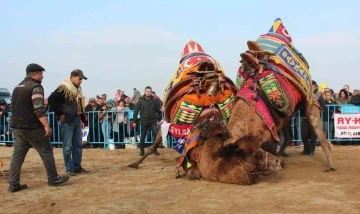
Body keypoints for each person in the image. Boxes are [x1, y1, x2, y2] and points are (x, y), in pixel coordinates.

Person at [8, 63, 69, 193]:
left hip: (17, 126)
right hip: (32, 126)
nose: (42, 76)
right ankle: (53, 178)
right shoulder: (35, 87)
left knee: (17, 156)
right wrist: (46, 126)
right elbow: (39, 109)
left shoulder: (17, 87)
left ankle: (13, 184)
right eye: (41, 74)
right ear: (35, 74)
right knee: (46, 151)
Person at [48, 69, 88, 176]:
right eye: (80, 79)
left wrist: (83, 117)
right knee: (68, 146)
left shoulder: (78, 89)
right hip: (67, 120)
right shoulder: (63, 88)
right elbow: (51, 100)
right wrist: (60, 113)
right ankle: (69, 168)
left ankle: (77, 166)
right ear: (73, 77)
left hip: (76, 118)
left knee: (78, 144)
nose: (81, 81)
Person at [133, 86, 162, 156]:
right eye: (147, 92)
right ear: (144, 92)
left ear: (151, 92)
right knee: (143, 136)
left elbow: (159, 111)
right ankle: (141, 150)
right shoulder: (140, 100)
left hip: (153, 121)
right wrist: (134, 121)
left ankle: (154, 150)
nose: (148, 93)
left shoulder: (154, 100)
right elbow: (136, 111)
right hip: (144, 121)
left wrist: (159, 118)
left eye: (150, 92)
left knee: (156, 134)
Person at [300, 80, 325, 156]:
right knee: (304, 134)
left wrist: (317, 110)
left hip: (314, 118)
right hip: (305, 117)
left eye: (312, 85)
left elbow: (323, 106)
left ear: (315, 86)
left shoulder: (318, 95)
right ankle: (306, 148)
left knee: (314, 135)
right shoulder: (305, 95)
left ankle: (311, 150)